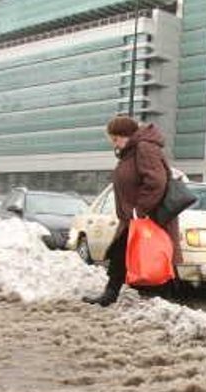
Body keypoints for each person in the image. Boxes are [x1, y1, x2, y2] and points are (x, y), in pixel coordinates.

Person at [83, 116, 170, 307]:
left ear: (127, 135)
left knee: (146, 255)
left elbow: (156, 181)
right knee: (121, 254)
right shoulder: (130, 152)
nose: (114, 144)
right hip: (133, 217)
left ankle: (152, 299)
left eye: (115, 139)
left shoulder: (144, 148)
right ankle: (112, 294)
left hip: (146, 217)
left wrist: (140, 209)